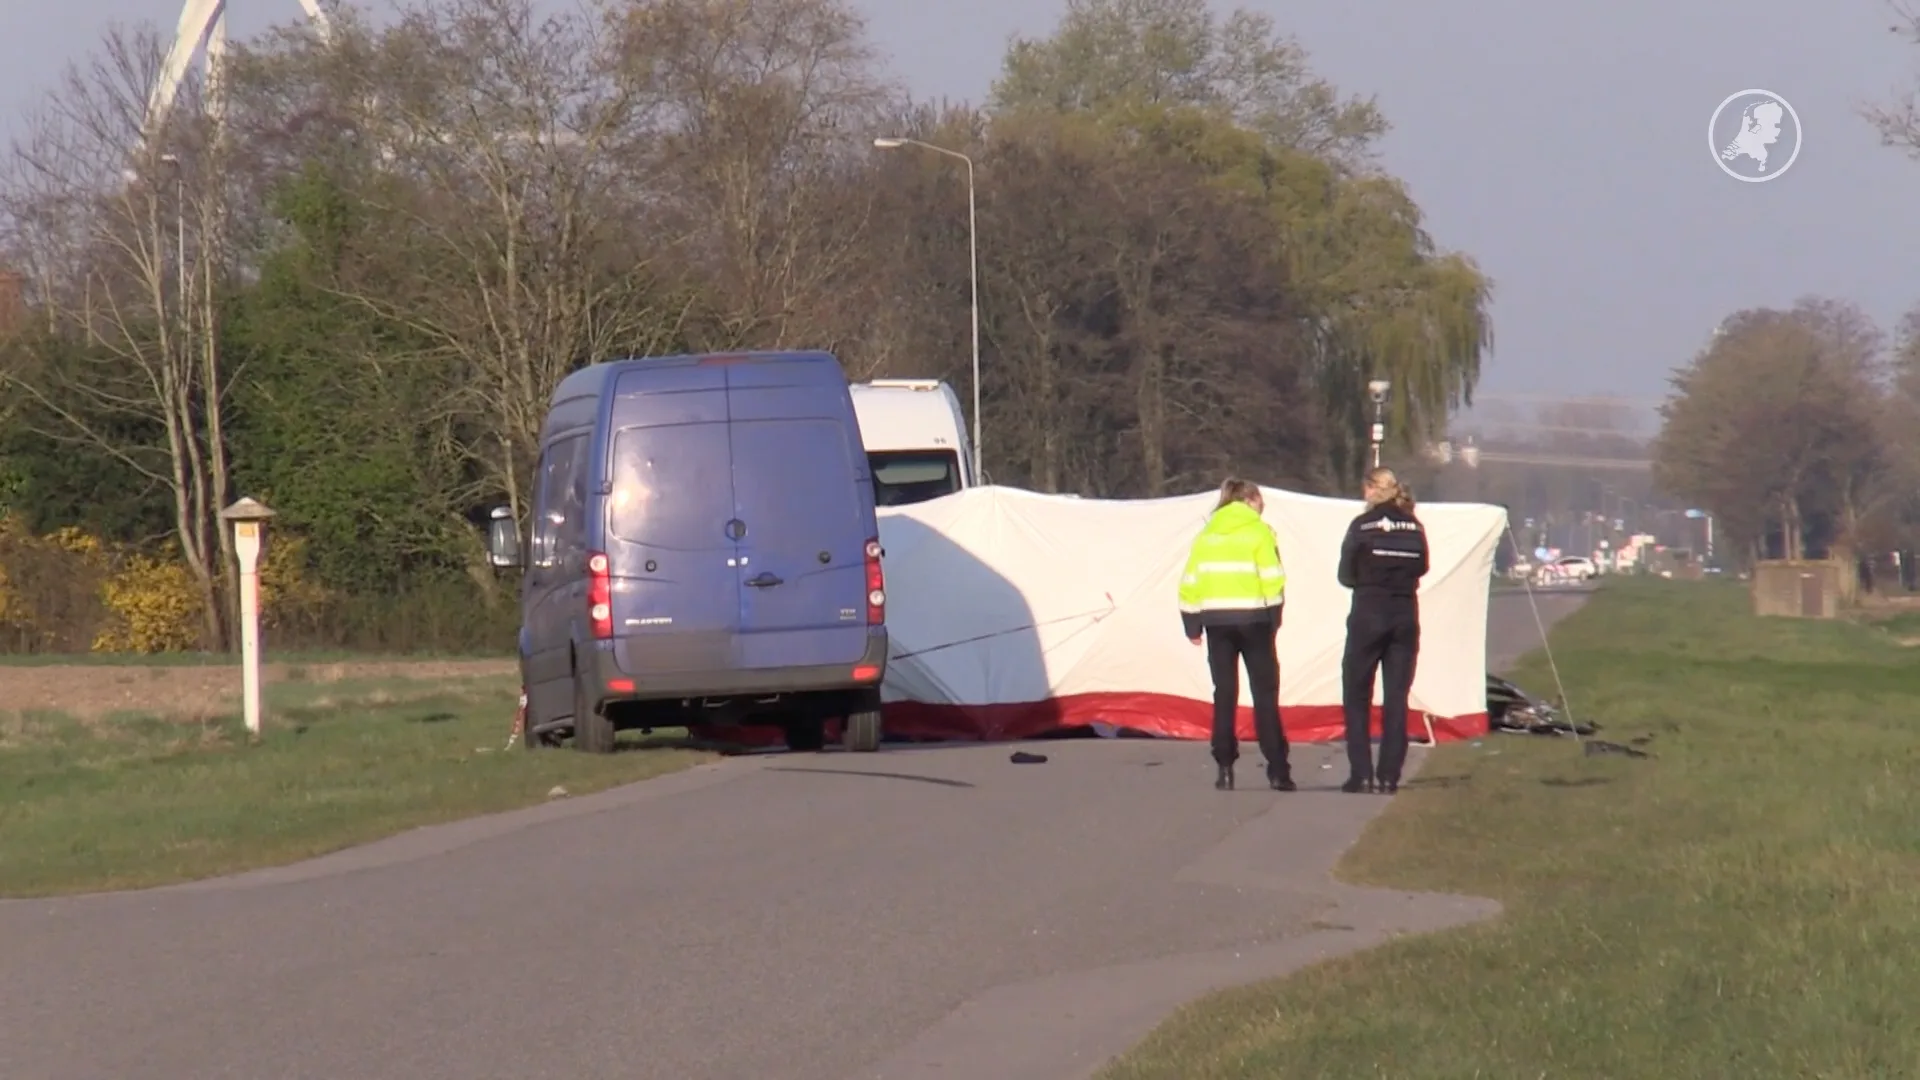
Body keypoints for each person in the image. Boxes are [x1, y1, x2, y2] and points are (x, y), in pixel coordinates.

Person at [1177, 478, 1293, 792]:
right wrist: (1274, 619)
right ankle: (1278, 769)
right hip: (1254, 619)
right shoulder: (1260, 532)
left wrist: (1192, 624)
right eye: (1261, 500)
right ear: (1251, 499)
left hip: (1217, 622)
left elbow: (1190, 581)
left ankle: (1224, 766)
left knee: (1224, 694)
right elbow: (1273, 578)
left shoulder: (1207, 535)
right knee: (1265, 695)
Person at [1337, 467, 1430, 795]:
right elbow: (1422, 567)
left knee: (1357, 695)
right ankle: (1389, 776)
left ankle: (1361, 774)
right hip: (1404, 615)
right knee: (1396, 698)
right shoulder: (1414, 527)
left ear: (1371, 489)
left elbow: (1345, 575)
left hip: (1367, 613)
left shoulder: (1361, 527)